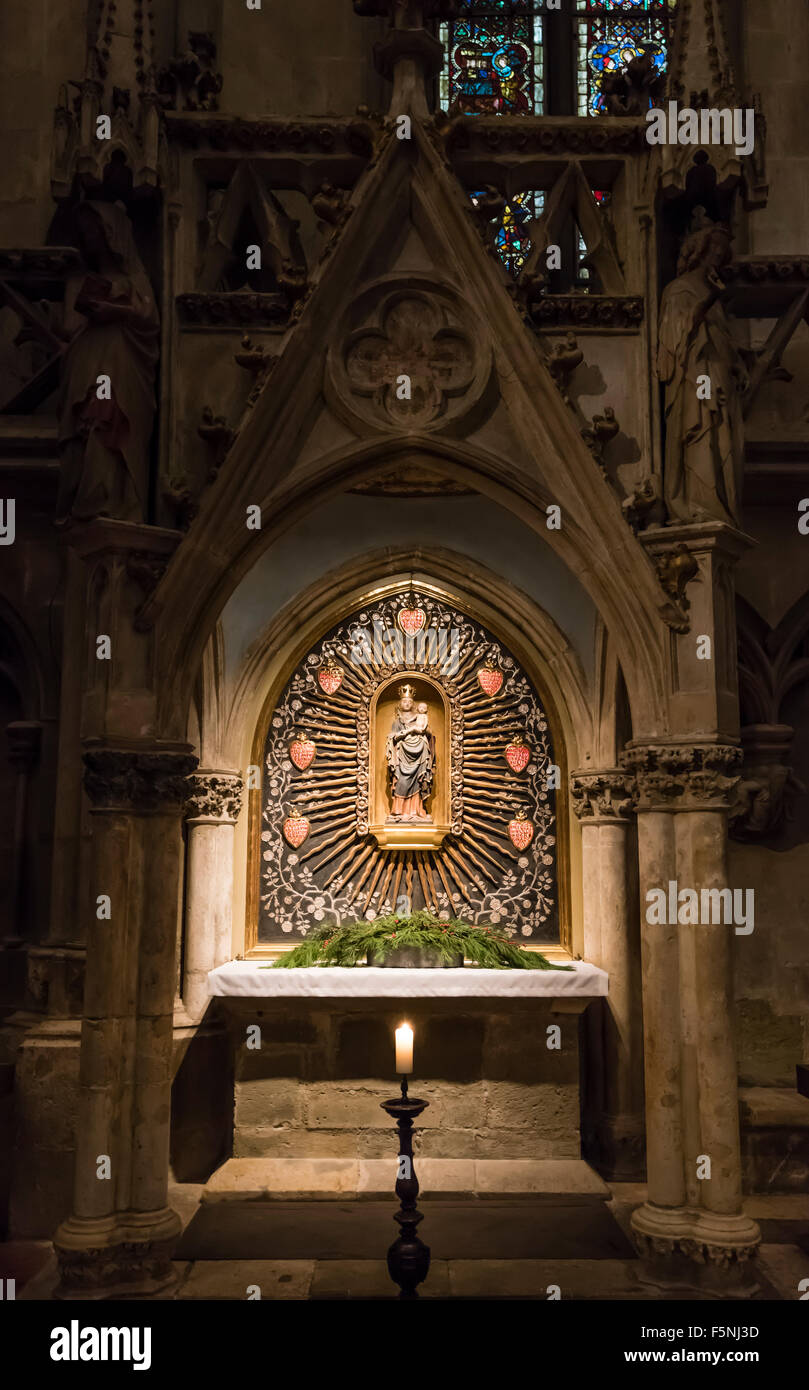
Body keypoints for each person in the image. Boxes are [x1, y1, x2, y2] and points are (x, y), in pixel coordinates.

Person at [56, 200, 159, 524]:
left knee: (110, 421)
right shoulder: (78, 280)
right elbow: (69, 329)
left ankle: (114, 503)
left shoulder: (134, 278)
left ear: (111, 233)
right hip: (87, 360)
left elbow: (150, 319)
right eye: (85, 233)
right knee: (87, 424)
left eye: (95, 231)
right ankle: (84, 505)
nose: (90, 239)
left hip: (121, 362)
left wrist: (118, 311)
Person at [656, 221, 748, 526]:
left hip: (718, 376)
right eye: (714, 249)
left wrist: (738, 365)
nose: (718, 257)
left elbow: (722, 338)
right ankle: (698, 504)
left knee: (721, 439)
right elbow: (677, 337)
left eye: (723, 252)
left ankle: (718, 506)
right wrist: (709, 299)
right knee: (700, 434)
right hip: (694, 378)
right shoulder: (678, 290)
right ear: (698, 250)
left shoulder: (714, 294)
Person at [385, 686, 434, 822]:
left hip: (420, 753)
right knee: (401, 781)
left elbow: (429, 734)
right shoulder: (397, 721)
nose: (406, 704)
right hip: (402, 755)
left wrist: (425, 732)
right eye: (404, 701)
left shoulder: (420, 717)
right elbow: (392, 737)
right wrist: (401, 735)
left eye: (409, 702)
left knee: (418, 781)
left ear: (413, 704)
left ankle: (416, 811)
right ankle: (398, 811)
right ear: (400, 704)